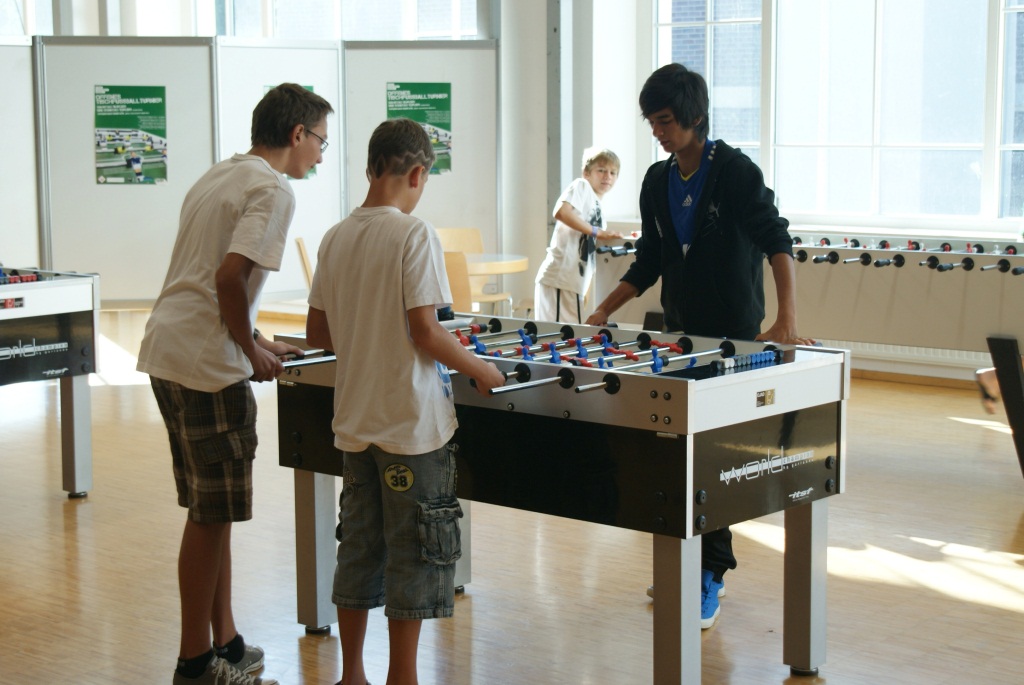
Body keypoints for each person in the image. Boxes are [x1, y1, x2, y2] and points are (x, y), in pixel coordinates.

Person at [586, 63, 815, 630]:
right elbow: (650, 261)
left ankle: (710, 573)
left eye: (665, 120)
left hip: (734, 337)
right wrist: (603, 310)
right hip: (680, 337)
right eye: (651, 122)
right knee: (674, 456)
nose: (658, 131)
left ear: (694, 116)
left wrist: (787, 319)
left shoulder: (735, 171)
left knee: (712, 460)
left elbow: (777, 241)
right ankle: (690, 562)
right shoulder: (656, 180)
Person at [137, 82, 334, 685]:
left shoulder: (220, 174)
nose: (320, 155)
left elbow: (211, 280)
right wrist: (248, 351)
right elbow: (227, 278)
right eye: (320, 141)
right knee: (209, 518)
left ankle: (225, 642)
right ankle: (195, 663)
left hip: (169, 351)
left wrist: (257, 337)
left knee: (211, 512)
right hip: (207, 365)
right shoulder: (273, 190)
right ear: (297, 134)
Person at [305, 118, 505, 685]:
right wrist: (480, 369)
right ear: (417, 173)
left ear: (371, 167)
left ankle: (351, 675)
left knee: (359, 548)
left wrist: (366, 335)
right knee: (415, 553)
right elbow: (426, 331)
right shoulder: (415, 234)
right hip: (412, 428)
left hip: (356, 425)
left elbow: (318, 333)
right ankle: (403, 676)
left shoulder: (335, 236)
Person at [533, 147, 624, 323]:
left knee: (570, 335)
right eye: (601, 170)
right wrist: (598, 232)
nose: (607, 176)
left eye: (613, 172)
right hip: (560, 279)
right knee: (564, 336)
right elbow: (561, 212)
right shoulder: (581, 186)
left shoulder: (598, 205)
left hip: (573, 283)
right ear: (586, 173)